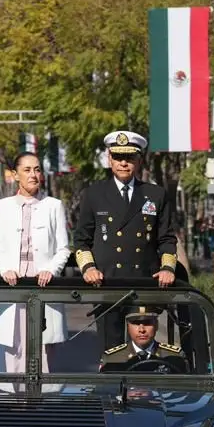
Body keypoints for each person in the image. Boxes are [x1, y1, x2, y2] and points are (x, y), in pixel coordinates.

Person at [72, 130, 177, 345]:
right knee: (111, 352)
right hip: (107, 285)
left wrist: (167, 269)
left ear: (138, 161)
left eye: (129, 158)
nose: (123, 163)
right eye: (118, 157)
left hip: (143, 285)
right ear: (109, 159)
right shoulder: (94, 194)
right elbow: (81, 240)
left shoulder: (155, 195)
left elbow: (166, 239)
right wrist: (88, 268)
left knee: (143, 349)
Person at [0, 152, 71, 371]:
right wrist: (5, 269)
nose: (33, 175)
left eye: (37, 170)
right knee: (14, 348)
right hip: (13, 287)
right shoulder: (2, 206)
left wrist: (51, 270)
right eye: (27, 170)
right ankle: (16, 401)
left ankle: (43, 402)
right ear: (15, 175)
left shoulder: (54, 205)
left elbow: (63, 248)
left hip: (44, 285)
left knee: (45, 350)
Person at [98, 306, 187, 372]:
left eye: (147, 323)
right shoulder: (112, 359)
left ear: (156, 325)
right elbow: (105, 391)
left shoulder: (175, 357)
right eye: (136, 323)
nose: (142, 330)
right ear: (128, 326)